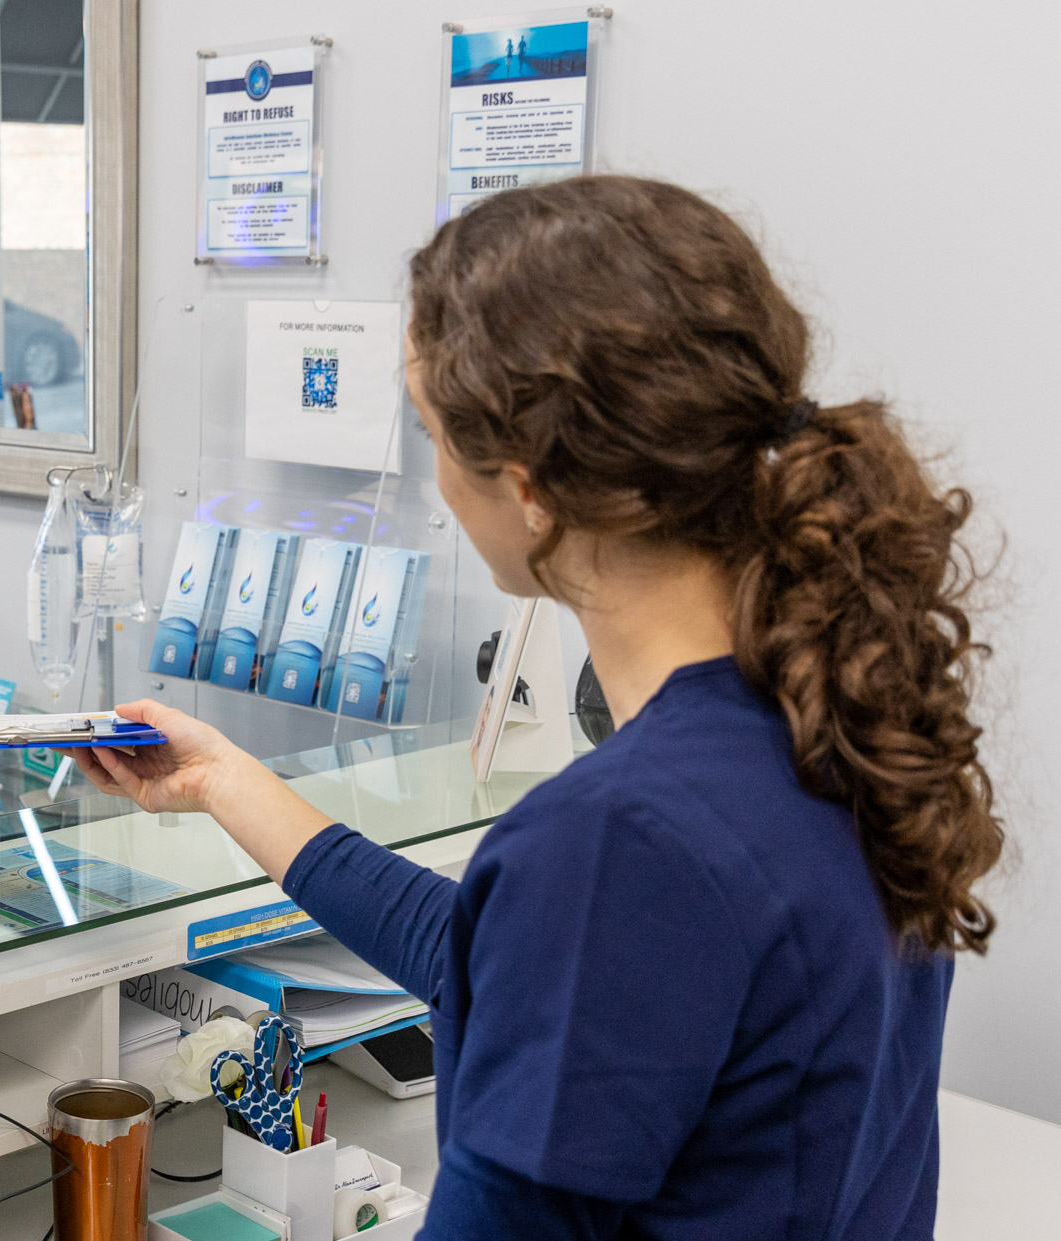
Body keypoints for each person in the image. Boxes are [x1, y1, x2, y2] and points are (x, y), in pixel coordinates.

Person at [71, 176, 1001, 1238]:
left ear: (526, 490)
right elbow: (506, 963)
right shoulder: (835, 711)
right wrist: (225, 781)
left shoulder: (619, 837)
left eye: (431, 435)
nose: (434, 485)